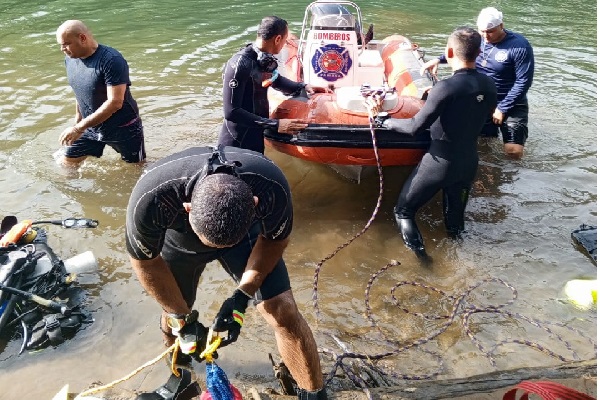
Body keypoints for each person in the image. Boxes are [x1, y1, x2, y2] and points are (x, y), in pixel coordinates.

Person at [125, 145, 327, 400]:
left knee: (282, 309)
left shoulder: (270, 187)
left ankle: (314, 394)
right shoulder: (151, 197)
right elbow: (145, 262)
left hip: (246, 237)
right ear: (187, 208)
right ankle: (180, 377)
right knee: (174, 314)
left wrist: (242, 297)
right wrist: (182, 317)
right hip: (181, 239)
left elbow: (274, 241)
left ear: (255, 204)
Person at [372, 27, 497, 257]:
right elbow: (480, 116)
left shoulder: (445, 87)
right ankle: (460, 262)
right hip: (468, 163)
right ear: (479, 52)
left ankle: (424, 263)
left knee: (403, 212)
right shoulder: (489, 84)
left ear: (449, 52)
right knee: (456, 226)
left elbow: (413, 128)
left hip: (439, 163)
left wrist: (382, 121)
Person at [420, 7, 534, 160]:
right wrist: (439, 59)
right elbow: (463, 51)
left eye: (490, 31)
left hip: (511, 102)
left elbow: (524, 81)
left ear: (501, 25)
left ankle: (512, 178)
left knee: (513, 152)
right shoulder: (478, 39)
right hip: (483, 97)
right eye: (482, 32)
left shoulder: (519, 46)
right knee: (483, 143)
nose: (486, 36)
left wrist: (503, 108)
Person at [219, 16, 330, 154]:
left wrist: (303, 86)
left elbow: (276, 80)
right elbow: (231, 112)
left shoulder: (264, 60)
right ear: (277, 39)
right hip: (235, 143)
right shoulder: (240, 64)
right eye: (284, 41)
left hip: (255, 139)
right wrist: (276, 124)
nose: (284, 44)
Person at [55, 20, 146, 167]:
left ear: (82, 38)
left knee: (135, 169)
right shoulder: (70, 59)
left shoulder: (111, 60)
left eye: (66, 44)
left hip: (123, 127)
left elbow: (115, 102)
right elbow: (79, 92)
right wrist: (78, 122)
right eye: (60, 45)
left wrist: (79, 128)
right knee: (67, 164)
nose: (62, 49)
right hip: (90, 126)